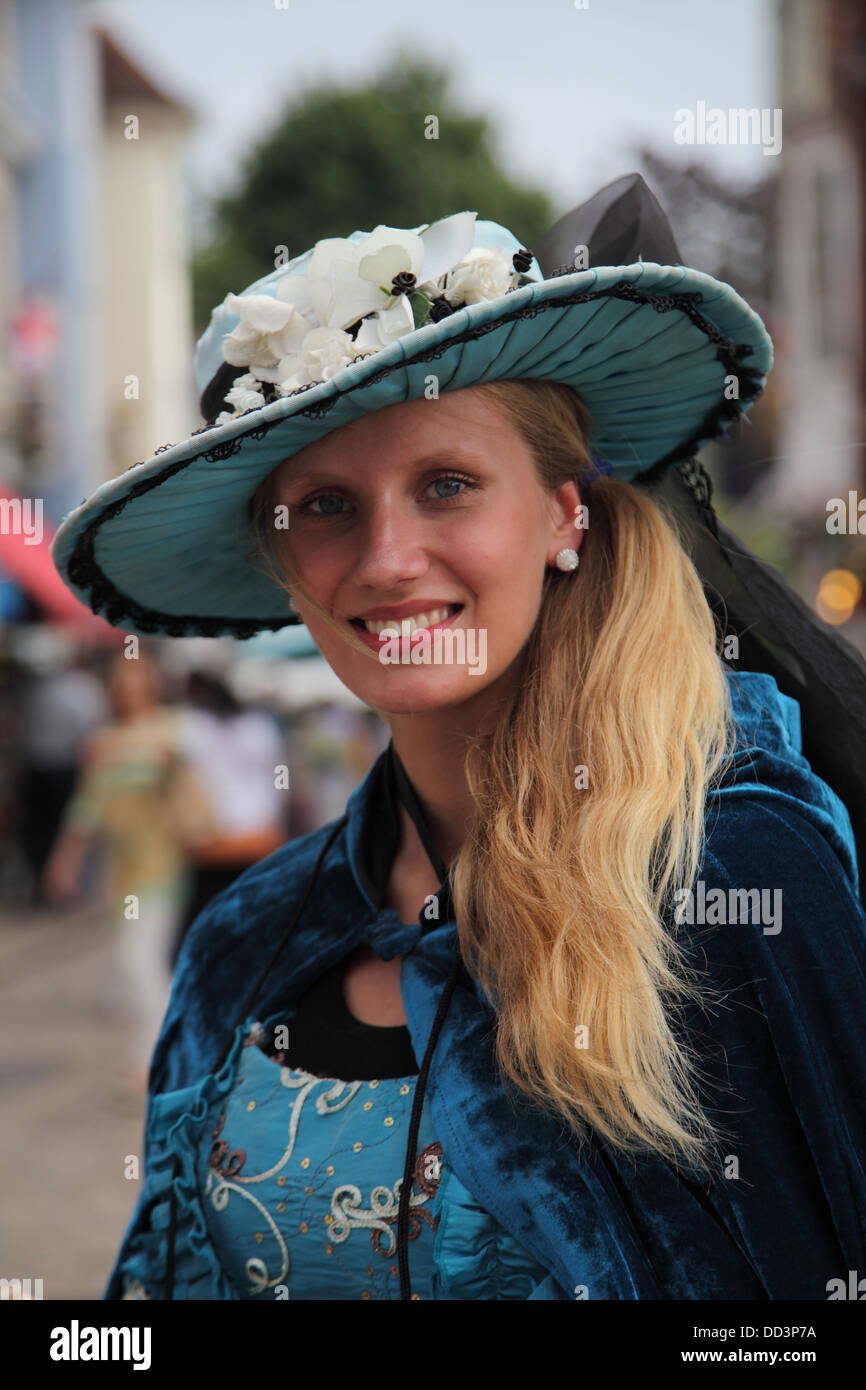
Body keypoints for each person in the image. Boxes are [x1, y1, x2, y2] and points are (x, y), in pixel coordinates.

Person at [51, 176, 866, 1300]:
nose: (386, 558)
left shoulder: (729, 874)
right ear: (285, 566)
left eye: (445, 484)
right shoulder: (244, 939)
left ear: (560, 514)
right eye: (327, 506)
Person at [43, 646, 216, 1090]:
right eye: (122, 681)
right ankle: (167, 1049)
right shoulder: (105, 740)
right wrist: (66, 860)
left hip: (162, 863)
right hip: (119, 870)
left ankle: (156, 1059)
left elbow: (204, 792)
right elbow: (87, 808)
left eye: (138, 678)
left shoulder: (175, 730)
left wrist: (172, 768)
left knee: (140, 959)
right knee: (133, 962)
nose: (130, 688)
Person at [168, 669, 288, 969]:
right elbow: (280, 778)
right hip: (259, 835)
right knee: (261, 926)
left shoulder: (191, 725)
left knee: (205, 931)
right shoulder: (258, 725)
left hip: (213, 839)